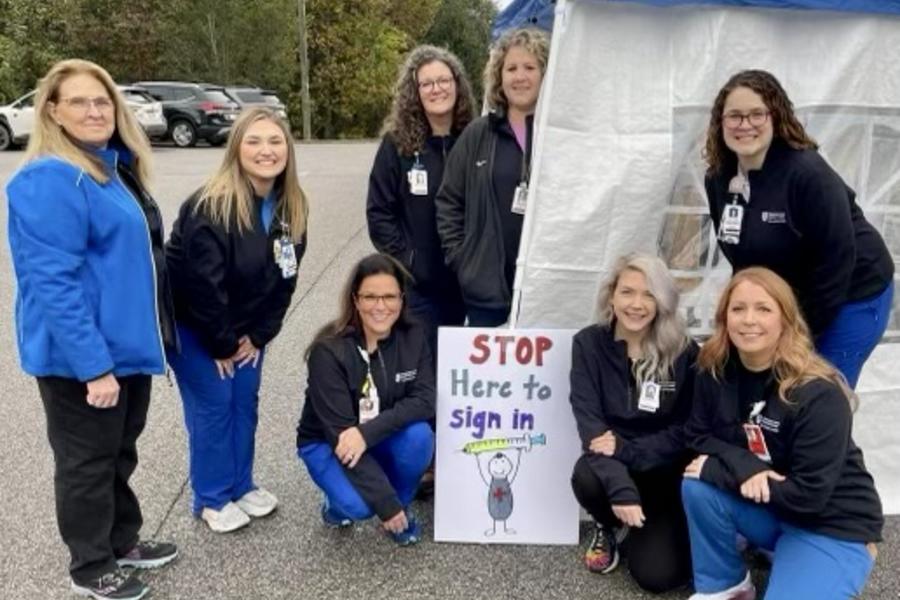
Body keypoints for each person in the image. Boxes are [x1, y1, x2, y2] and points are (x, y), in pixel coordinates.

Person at [5, 59, 178, 600]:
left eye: (103, 101)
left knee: (119, 452)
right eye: (79, 101)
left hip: (124, 352)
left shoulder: (110, 169)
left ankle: (121, 540)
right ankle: (89, 565)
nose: (95, 110)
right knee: (86, 462)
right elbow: (53, 283)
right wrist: (94, 366)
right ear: (52, 111)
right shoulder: (49, 179)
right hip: (83, 361)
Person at [682, 267, 882, 600]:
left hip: (829, 524)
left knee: (708, 472)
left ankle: (848, 557)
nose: (748, 319)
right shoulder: (713, 367)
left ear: (786, 321)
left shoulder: (818, 392)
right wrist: (746, 465)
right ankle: (726, 585)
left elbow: (810, 497)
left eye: (763, 308)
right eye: (738, 308)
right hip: (774, 507)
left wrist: (722, 470)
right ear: (724, 317)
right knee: (697, 484)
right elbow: (698, 434)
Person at [166, 106, 309, 533]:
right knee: (215, 403)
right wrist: (223, 343)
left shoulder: (290, 207)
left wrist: (259, 335)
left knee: (244, 399)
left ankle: (240, 484)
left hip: (245, 330)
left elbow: (286, 280)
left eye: (275, 141)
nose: (266, 150)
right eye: (254, 141)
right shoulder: (211, 205)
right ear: (236, 148)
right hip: (194, 325)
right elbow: (201, 286)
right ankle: (211, 496)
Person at [704, 69, 894, 388]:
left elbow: (837, 262)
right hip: (791, 295)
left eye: (756, 114)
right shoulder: (719, 179)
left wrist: (798, 334)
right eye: (734, 116)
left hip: (852, 294)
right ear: (720, 122)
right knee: (768, 384)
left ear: (776, 117)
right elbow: (740, 257)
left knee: (818, 391)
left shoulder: (808, 175)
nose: (745, 124)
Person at [569, 254, 698, 592]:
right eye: (627, 292)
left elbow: (687, 428)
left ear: (663, 301)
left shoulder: (684, 351)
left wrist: (629, 450)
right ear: (612, 295)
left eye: (649, 294)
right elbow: (590, 424)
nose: (637, 304)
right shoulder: (588, 344)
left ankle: (645, 526)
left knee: (660, 578)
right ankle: (608, 523)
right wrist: (621, 488)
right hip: (611, 468)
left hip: (664, 471)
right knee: (586, 476)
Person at [296, 253, 435, 546]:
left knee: (420, 437)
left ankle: (401, 504)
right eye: (370, 297)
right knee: (359, 507)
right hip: (328, 441)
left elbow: (425, 399)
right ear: (355, 300)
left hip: (373, 432)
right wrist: (385, 505)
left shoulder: (414, 335)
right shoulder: (328, 351)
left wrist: (366, 433)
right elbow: (341, 437)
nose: (381, 306)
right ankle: (335, 507)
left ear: (402, 299)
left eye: (389, 296)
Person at [435, 28, 550, 326]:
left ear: (545, 74)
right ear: (499, 77)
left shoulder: (560, 136)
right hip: (486, 291)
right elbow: (449, 200)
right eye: (511, 68)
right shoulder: (479, 134)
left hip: (546, 289)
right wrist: (463, 260)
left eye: (529, 67)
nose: (520, 76)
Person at [366, 44, 476, 354]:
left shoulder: (475, 139)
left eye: (443, 80)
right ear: (415, 92)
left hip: (468, 286)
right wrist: (407, 261)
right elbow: (379, 213)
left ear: (457, 84)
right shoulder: (397, 144)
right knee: (423, 372)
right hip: (419, 289)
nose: (436, 89)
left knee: (461, 377)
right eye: (426, 83)